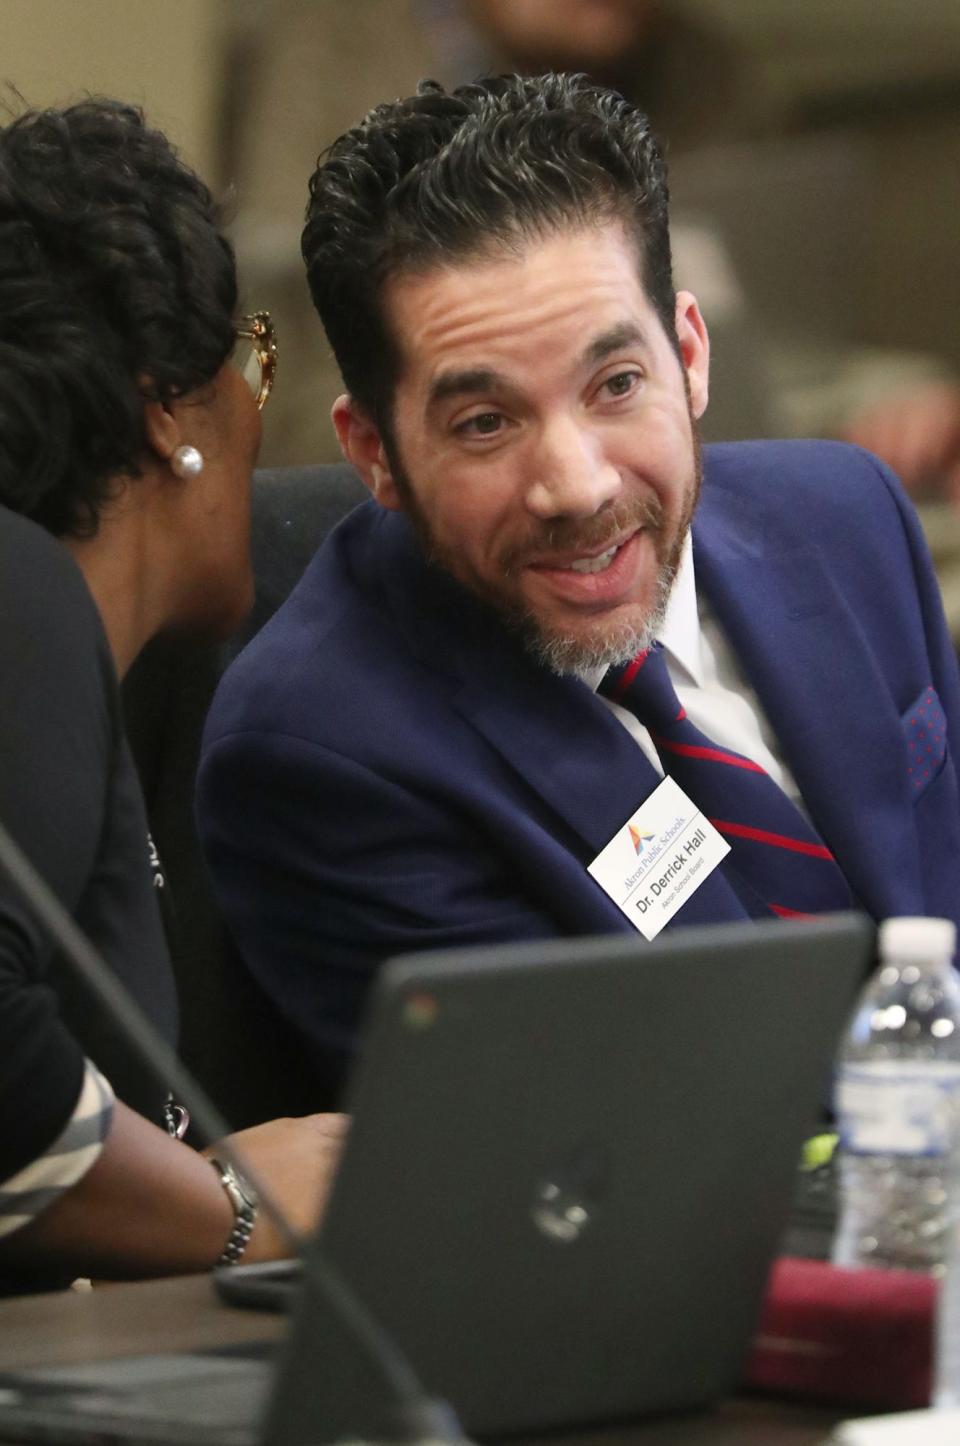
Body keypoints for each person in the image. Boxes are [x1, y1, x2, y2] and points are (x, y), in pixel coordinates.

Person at [197, 74, 960, 1093]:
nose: (576, 486)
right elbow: (611, 1153)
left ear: (688, 355)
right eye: (485, 424)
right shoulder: (321, 752)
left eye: (616, 386)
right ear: (374, 452)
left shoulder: (845, 517)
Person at [0, 99, 343, 1294]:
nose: (260, 412)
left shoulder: (74, 665)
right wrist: (237, 1212)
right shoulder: (25, 598)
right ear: (165, 409)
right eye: (250, 366)